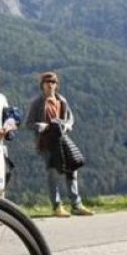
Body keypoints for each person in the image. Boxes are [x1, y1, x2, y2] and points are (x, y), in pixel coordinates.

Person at [26, 71, 93, 217]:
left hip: (61, 140)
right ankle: (57, 206)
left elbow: (70, 117)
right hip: (46, 143)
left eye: (53, 82)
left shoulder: (61, 100)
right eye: (47, 82)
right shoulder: (37, 102)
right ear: (42, 85)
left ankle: (76, 204)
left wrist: (68, 125)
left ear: (57, 85)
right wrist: (40, 126)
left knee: (72, 169)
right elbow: (28, 123)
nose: (50, 85)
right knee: (53, 173)